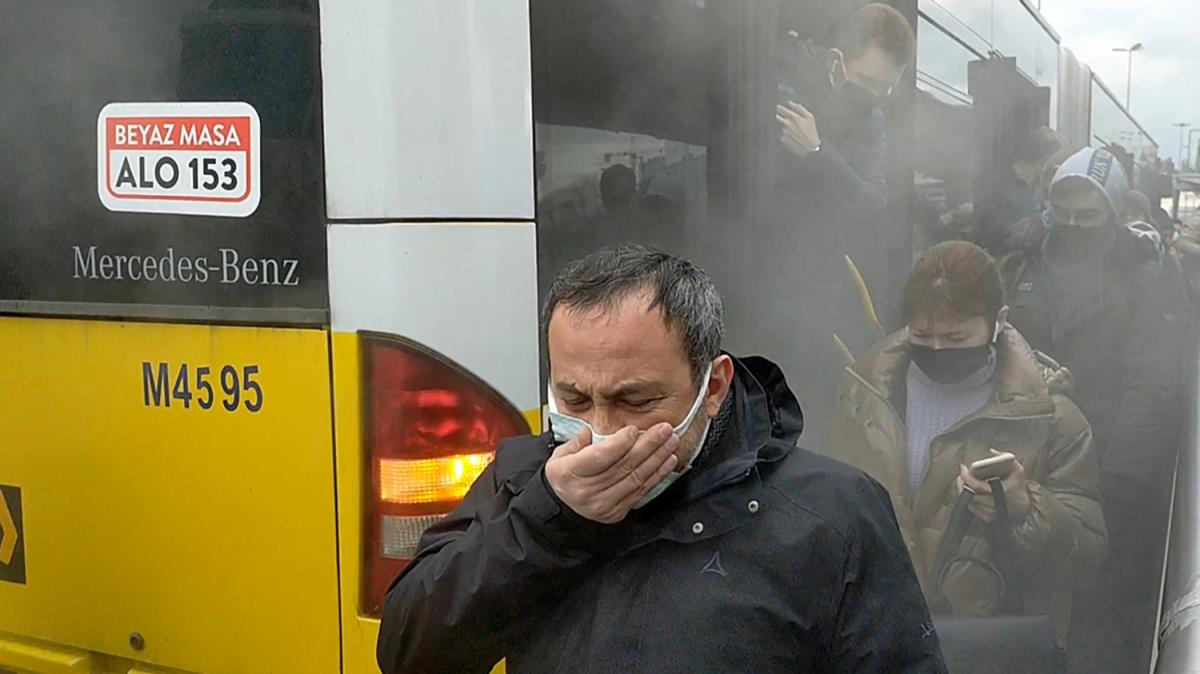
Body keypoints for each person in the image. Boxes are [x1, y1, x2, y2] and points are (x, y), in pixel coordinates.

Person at [377, 245, 947, 674]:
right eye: (574, 398)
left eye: (636, 400)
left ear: (714, 386)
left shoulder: (833, 513)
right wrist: (548, 523)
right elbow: (410, 651)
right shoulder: (525, 479)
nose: (602, 432)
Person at [830, 241, 1106, 667]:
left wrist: (1025, 506)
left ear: (999, 321)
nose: (937, 349)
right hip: (875, 642)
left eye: (956, 336)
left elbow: (1086, 557)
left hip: (985, 650)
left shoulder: (1051, 420)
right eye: (921, 335)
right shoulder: (865, 398)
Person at [1001, 147, 1190, 673]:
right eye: (1063, 213)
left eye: (1088, 215)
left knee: (1100, 615)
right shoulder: (1023, 259)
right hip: (1031, 456)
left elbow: (1152, 385)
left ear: (1111, 211)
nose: (1073, 225)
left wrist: (1121, 483)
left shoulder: (1147, 275)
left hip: (1110, 467)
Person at [775, 3, 914, 214]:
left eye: (886, 88)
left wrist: (818, 153)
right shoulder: (787, 73)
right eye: (867, 81)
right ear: (835, 61)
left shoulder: (873, 122)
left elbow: (874, 200)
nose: (875, 96)